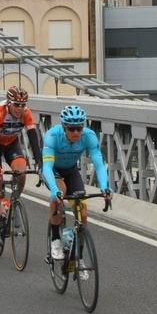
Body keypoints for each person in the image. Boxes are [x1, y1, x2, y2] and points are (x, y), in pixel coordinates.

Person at [41, 105, 111, 261]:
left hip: (71, 170)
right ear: (64, 127)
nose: (76, 133)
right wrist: (54, 190)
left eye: (79, 128)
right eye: (71, 129)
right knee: (60, 192)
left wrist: (104, 187)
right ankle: (55, 240)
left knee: (83, 213)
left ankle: (78, 257)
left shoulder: (89, 136)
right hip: (53, 170)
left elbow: (99, 164)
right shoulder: (53, 135)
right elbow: (47, 167)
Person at [0, 86, 42, 247]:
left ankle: (14, 201)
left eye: (23, 105)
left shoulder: (26, 113)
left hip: (11, 144)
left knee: (21, 173)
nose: (20, 108)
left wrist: (39, 162)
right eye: (16, 104)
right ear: (9, 103)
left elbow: (33, 138)